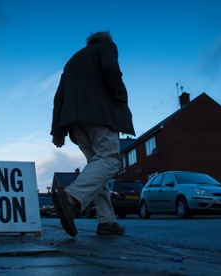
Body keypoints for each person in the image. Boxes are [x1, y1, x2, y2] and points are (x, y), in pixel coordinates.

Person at [50, 31, 135, 237]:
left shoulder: (71, 62)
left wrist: (57, 130)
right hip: (101, 116)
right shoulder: (107, 48)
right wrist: (120, 95)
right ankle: (71, 198)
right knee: (110, 161)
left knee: (97, 169)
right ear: (106, 41)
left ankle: (107, 221)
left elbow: (59, 96)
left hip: (75, 122)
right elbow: (110, 68)